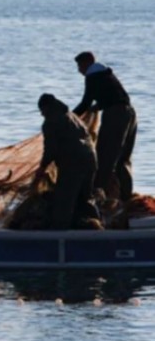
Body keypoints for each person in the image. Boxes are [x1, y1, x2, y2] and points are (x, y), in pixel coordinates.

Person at [72, 52, 137, 201]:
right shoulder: (106, 74)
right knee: (123, 159)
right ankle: (125, 198)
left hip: (116, 116)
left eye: (80, 65)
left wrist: (69, 117)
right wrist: (99, 106)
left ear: (88, 62)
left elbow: (85, 103)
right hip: (130, 113)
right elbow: (113, 96)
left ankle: (98, 196)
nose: (79, 70)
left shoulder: (92, 76)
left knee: (105, 156)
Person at [32, 94, 98, 229]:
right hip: (91, 159)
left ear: (47, 108)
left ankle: (59, 231)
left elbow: (50, 149)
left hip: (73, 163)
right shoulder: (73, 116)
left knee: (64, 199)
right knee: (86, 197)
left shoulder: (51, 122)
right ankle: (95, 225)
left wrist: (42, 167)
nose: (42, 114)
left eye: (42, 111)